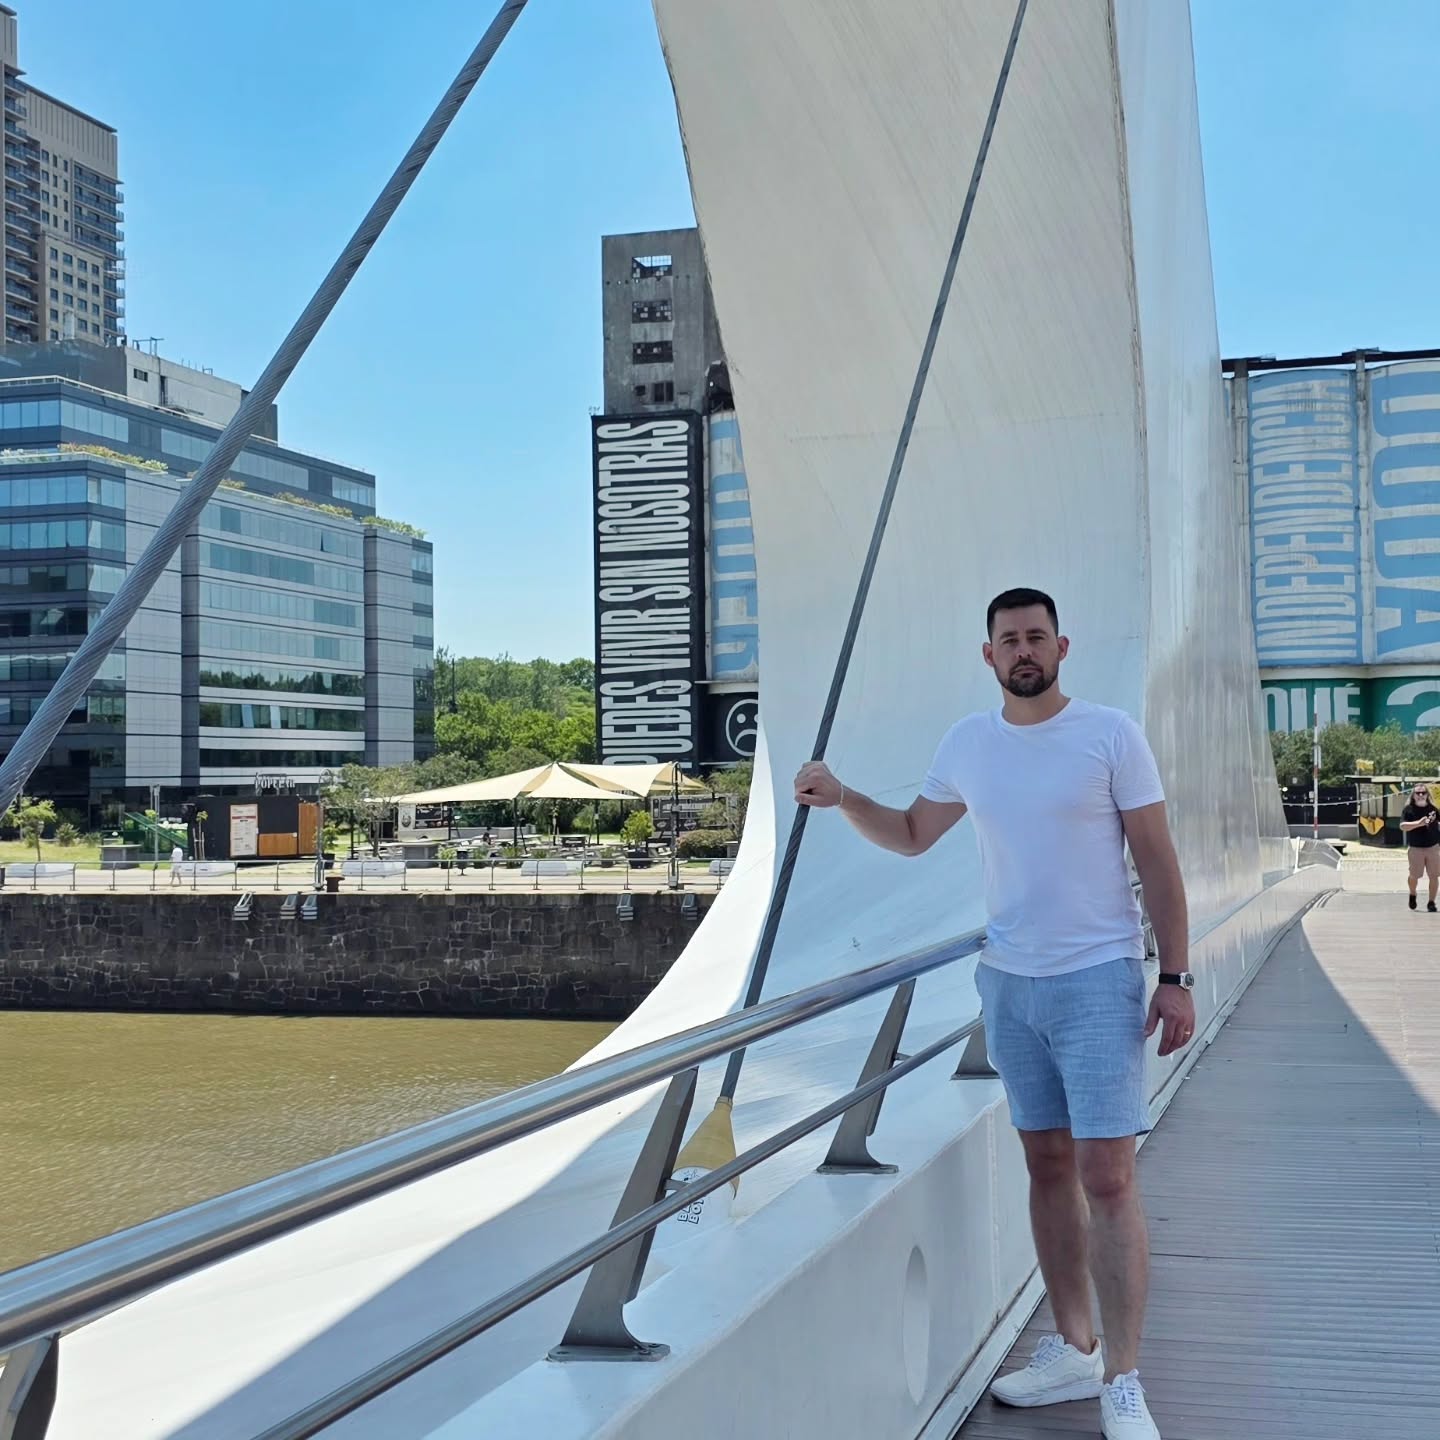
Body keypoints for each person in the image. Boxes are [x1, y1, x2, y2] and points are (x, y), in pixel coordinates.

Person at [795, 587, 1192, 1440]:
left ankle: (1123, 1377)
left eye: (1037, 637)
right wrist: (842, 798)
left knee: (1109, 1178)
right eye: (1009, 639)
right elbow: (909, 833)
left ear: (1062, 647)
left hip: (1098, 978)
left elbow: (1157, 859)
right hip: (1008, 984)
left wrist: (1178, 976)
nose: (1023, 650)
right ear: (988, 655)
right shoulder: (968, 743)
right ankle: (1075, 1348)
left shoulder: (1109, 734)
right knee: (1046, 1167)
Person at [1400, 783, 1439, 912]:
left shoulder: (1433, 809)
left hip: (1433, 847)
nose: (1421, 795)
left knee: (1434, 876)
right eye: (1418, 793)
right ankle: (1412, 894)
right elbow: (1403, 826)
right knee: (1414, 876)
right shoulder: (1408, 810)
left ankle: (1431, 902)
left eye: (1423, 793)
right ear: (1413, 795)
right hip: (1416, 848)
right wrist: (1419, 823)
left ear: (1428, 795)